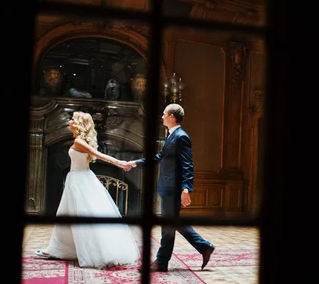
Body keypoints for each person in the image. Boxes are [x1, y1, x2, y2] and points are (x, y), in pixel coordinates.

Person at [35, 111, 140, 269]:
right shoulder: (78, 140)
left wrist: (120, 162)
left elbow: (99, 155)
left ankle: (87, 250)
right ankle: (59, 249)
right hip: (76, 179)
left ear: (78, 124)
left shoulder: (79, 141)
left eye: (73, 119)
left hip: (80, 180)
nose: (70, 121)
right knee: (66, 215)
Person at [125, 103, 215, 272]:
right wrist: (135, 163)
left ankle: (161, 262)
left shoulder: (181, 137)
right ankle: (204, 247)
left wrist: (186, 189)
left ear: (172, 117)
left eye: (164, 113)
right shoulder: (171, 135)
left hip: (173, 189)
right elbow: (160, 157)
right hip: (167, 187)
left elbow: (188, 165)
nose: (162, 116)